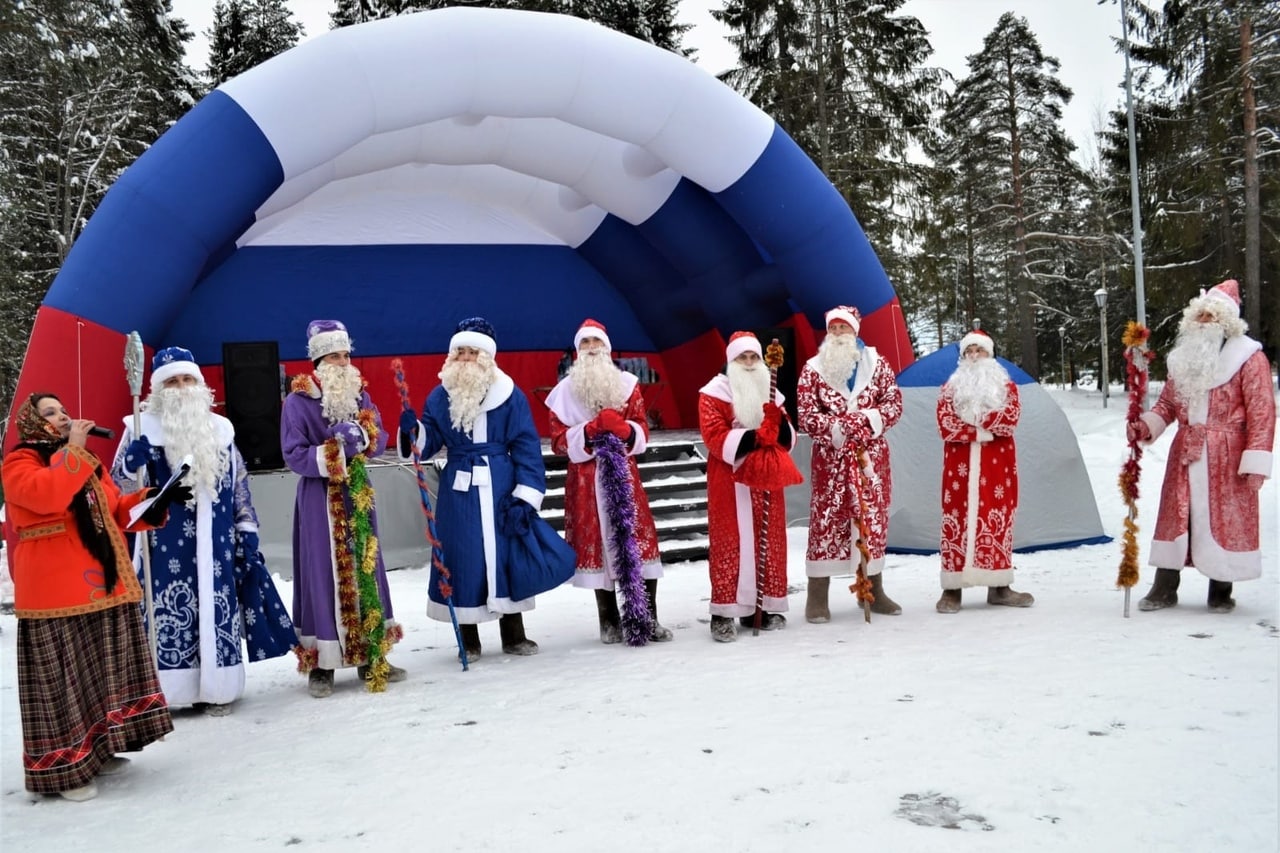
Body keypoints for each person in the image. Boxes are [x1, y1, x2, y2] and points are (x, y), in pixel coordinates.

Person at [3, 393, 183, 801]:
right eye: (49, 412)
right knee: (62, 682)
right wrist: (74, 452)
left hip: (102, 584)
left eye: (62, 410)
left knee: (101, 673)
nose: (62, 416)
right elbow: (47, 496)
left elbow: (115, 509)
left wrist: (153, 500)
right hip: (54, 591)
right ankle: (66, 768)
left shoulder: (84, 461)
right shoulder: (20, 462)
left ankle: (96, 751)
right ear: (30, 422)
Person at [110, 347, 298, 715]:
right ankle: (169, 689)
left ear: (199, 384)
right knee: (168, 612)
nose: (181, 388)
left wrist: (246, 527)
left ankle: (217, 688)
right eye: (172, 382)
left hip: (216, 540)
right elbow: (115, 489)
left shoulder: (220, 431)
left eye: (187, 380)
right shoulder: (139, 428)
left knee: (216, 607)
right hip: (163, 541)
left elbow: (239, 481)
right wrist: (131, 466)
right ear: (159, 390)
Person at [398, 317, 552, 659]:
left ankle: (513, 633)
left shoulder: (510, 395)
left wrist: (526, 496)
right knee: (461, 556)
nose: (466, 358)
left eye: (473, 352)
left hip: (500, 485)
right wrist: (415, 432)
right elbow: (430, 441)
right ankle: (467, 638)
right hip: (458, 491)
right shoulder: (440, 396)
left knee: (505, 557)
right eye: (460, 351)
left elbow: (526, 445)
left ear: (487, 357)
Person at [1129, 280, 1274, 613]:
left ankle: (1221, 589)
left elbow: (1262, 412)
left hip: (1228, 455)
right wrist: (1146, 424)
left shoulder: (1250, 360)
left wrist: (1255, 461)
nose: (1204, 321)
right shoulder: (1184, 361)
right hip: (1186, 451)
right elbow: (1168, 404)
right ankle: (1165, 587)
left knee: (1225, 518)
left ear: (1226, 321)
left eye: (1211, 316)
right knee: (1175, 516)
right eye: (1200, 315)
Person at [281, 320, 404, 697]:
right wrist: (333, 452)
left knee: (365, 565)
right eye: (334, 356)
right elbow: (293, 453)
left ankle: (372, 655)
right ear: (318, 360)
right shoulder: (297, 402)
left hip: (358, 494)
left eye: (346, 355)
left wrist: (364, 438)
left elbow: (378, 436)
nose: (343, 362)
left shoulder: (359, 395)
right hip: (320, 499)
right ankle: (322, 665)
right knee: (322, 572)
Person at [544, 319, 672, 645]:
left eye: (595, 343)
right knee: (599, 548)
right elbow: (558, 441)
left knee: (640, 542)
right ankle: (609, 619)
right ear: (576, 351)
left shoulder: (627, 385)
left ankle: (648, 616)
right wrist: (586, 432)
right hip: (586, 481)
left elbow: (642, 427)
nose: (590, 349)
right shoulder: (562, 394)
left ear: (607, 348)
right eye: (584, 343)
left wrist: (626, 430)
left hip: (624, 476)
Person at [796, 305, 904, 622]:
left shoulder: (878, 364)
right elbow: (805, 414)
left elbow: (894, 403)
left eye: (844, 328)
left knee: (871, 520)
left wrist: (867, 420)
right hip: (831, 461)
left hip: (871, 460)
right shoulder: (813, 369)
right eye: (833, 329)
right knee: (827, 522)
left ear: (855, 331)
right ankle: (817, 595)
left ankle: (872, 589)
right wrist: (839, 428)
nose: (839, 334)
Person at [698, 331, 799, 642]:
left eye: (754, 357)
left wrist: (779, 428)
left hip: (766, 478)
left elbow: (788, 436)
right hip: (729, 480)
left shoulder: (773, 395)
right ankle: (724, 612)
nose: (750, 363)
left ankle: (763, 607)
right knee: (731, 541)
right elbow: (713, 435)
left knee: (767, 540)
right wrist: (753, 437)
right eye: (743, 357)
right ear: (731, 361)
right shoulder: (713, 393)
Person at [934, 328, 1033, 613]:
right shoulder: (949, 389)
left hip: (996, 467)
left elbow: (1009, 420)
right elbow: (946, 425)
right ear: (963, 357)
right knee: (957, 520)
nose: (975, 356)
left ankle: (1000, 586)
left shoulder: (1007, 387)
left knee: (996, 516)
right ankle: (951, 590)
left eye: (980, 351)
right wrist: (984, 430)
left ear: (991, 355)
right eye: (970, 351)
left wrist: (973, 423)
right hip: (959, 469)